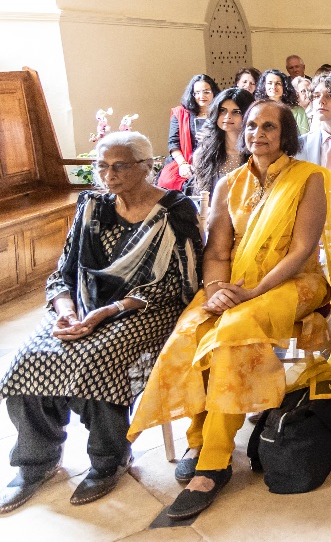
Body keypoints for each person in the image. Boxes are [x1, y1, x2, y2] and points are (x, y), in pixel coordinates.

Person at [128, 102, 331, 519]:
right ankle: (198, 438)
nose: (257, 134)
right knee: (192, 329)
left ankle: (212, 462)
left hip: (296, 283)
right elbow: (216, 251)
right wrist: (215, 291)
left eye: (269, 127)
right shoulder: (229, 184)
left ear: (286, 135)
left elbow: (302, 249)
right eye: (251, 126)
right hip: (234, 283)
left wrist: (253, 293)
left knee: (234, 330)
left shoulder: (309, 178)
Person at [0, 133, 202, 513]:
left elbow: (181, 283)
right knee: (28, 359)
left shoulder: (175, 210)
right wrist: (66, 311)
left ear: (147, 166)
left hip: (147, 308)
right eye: (102, 166)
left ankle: (110, 459)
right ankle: (36, 461)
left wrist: (109, 311)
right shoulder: (91, 206)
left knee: (98, 359)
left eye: (119, 166)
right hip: (84, 304)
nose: (108, 175)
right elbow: (63, 271)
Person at [189, 87, 254, 199]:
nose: (228, 117)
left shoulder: (257, 153)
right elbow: (201, 196)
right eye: (222, 110)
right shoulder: (203, 154)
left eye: (236, 112)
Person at [159, 74, 219, 192]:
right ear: (192, 94)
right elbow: (173, 143)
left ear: (214, 92)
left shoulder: (221, 113)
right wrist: (183, 164)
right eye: (197, 93)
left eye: (206, 92)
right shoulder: (181, 113)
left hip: (214, 159)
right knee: (170, 181)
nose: (201, 96)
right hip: (184, 160)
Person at [255, 68, 308, 136]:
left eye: (278, 83)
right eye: (270, 83)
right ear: (264, 86)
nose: (273, 87)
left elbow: (305, 137)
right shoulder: (258, 110)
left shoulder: (297, 111)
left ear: (284, 87)